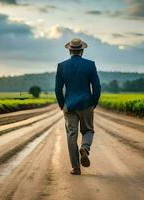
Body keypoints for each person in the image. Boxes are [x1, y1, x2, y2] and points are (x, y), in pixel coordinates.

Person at [55, 38, 101, 175]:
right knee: (88, 131)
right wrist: (94, 103)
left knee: (71, 135)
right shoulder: (90, 65)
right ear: (82, 50)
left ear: (70, 50)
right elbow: (97, 87)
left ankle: (76, 168)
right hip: (86, 104)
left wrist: (62, 105)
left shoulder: (62, 66)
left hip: (69, 105)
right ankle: (85, 149)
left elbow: (58, 89)